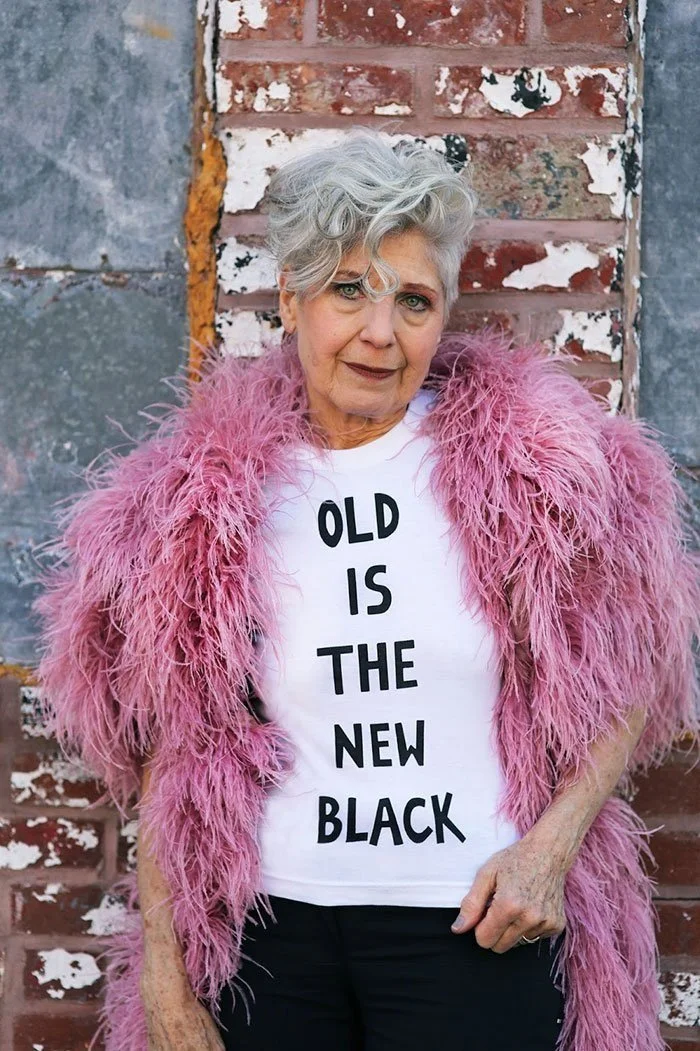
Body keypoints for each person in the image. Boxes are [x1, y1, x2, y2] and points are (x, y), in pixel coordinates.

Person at [31, 128, 699, 1051]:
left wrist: (548, 853)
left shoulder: (530, 474)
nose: (381, 333)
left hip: (472, 925)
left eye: (413, 300)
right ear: (292, 298)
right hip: (268, 939)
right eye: (349, 289)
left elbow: (631, 667)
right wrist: (164, 971)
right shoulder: (207, 500)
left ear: (443, 312)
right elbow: (168, 744)